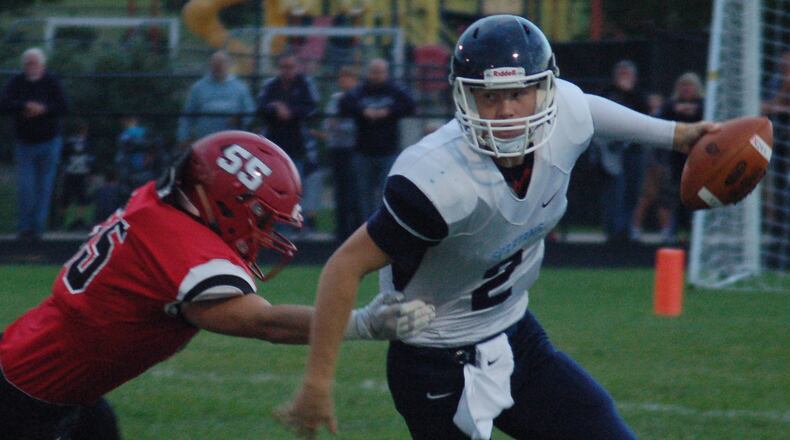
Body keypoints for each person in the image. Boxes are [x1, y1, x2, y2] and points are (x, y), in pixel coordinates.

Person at [277, 15, 716, 440]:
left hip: (516, 335)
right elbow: (344, 265)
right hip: (435, 358)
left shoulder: (565, 113)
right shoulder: (438, 179)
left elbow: (586, 108)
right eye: (489, 96)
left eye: (519, 93)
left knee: (600, 424)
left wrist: (677, 135)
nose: (506, 111)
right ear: (464, 99)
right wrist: (317, 383)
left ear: (544, 91)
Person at [0, 130, 435, 440]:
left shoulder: (157, 201)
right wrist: (363, 323)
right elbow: (264, 323)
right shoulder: (182, 250)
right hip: (26, 396)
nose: (267, 233)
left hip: (51, 377)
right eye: (263, 218)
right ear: (226, 203)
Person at [0, 47, 69, 242]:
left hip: (49, 141)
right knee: (26, 187)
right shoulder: (16, 82)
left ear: (42, 66)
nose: (31, 67)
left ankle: (38, 228)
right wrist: (24, 107)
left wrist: (43, 109)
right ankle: (24, 227)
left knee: (44, 186)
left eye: (35, 63)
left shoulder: (52, 81)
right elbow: (4, 104)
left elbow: (64, 106)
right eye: (28, 63)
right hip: (25, 143)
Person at [340, 58, 416, 218]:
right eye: (373, 72)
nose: (376, 76)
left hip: (388, 151)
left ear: (386, 73)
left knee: (386, 194)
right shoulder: (360, 90)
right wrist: (363, 111)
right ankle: (366, 229)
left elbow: (410, 104)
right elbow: (345, 104)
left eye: (379, 72)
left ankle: (384, 228)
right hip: (363, 151)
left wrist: (388, 111)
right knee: (364, 195)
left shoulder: (395, 90)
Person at [633, 72, 705, 243]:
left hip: (697, 162)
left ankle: (693, 234)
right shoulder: (669, 106)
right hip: (671, 162)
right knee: (665, 198)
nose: (686, 89)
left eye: (690, 85)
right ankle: (667, 232)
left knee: (695, 200)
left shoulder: (704, 106)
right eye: (683, 85)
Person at [595, 60, 649, 242]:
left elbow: (645, 115)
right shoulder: (607, 93)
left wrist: (630, 92)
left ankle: (627, 228)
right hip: (612, 151)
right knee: (614, 191)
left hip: (633, 149)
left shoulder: (639, 95)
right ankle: (613, 230)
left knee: (633, 190)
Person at [314, 65, 362, 240]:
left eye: (348, 77)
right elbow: (328, 125)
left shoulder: (359, 98)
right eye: (342, 77)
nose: (344, 81)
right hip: (337, 149)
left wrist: (338, 125)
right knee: (340, 191)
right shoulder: (335, 99)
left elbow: (356, 126)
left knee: (355, 191)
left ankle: (357, 228)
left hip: (353, 150)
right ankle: (341, 230)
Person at [257, 54, 320, 174]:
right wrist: (275, 107)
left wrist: (291, 112)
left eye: (291, 67)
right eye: (284, 67)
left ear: (297, 67)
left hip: (298, 143)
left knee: (296, 179)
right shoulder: (270, 85)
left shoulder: (305, 84)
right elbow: (260, 108)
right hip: (273, 142)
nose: (287, 70)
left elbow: (312, 109)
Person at [177, 50, 256, 146]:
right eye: (215, 64)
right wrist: (183, 137)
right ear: (210, 65)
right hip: (205, 142)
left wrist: (240, 119)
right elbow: (187, 115)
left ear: (228, 65)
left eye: (221, 63)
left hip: (233, 143)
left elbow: (250, 113)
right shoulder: (198, 88)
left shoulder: (240, 88)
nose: (218, 67)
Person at [761, 50, 790, 269]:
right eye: (783, 59)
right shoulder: (773, 82)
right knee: (779, 197)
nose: (784, 63)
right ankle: (777, 247)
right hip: (779, 146)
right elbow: (763, 106)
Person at [58, 119, 95, 231]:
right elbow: (90, 159)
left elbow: (62, 158)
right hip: (81, 173)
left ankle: (61, 221)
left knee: (66, 197)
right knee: (81, 197)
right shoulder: (86, 143)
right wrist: (90, 172)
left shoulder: (68, 143)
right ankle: (79, 219)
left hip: (69, 172)